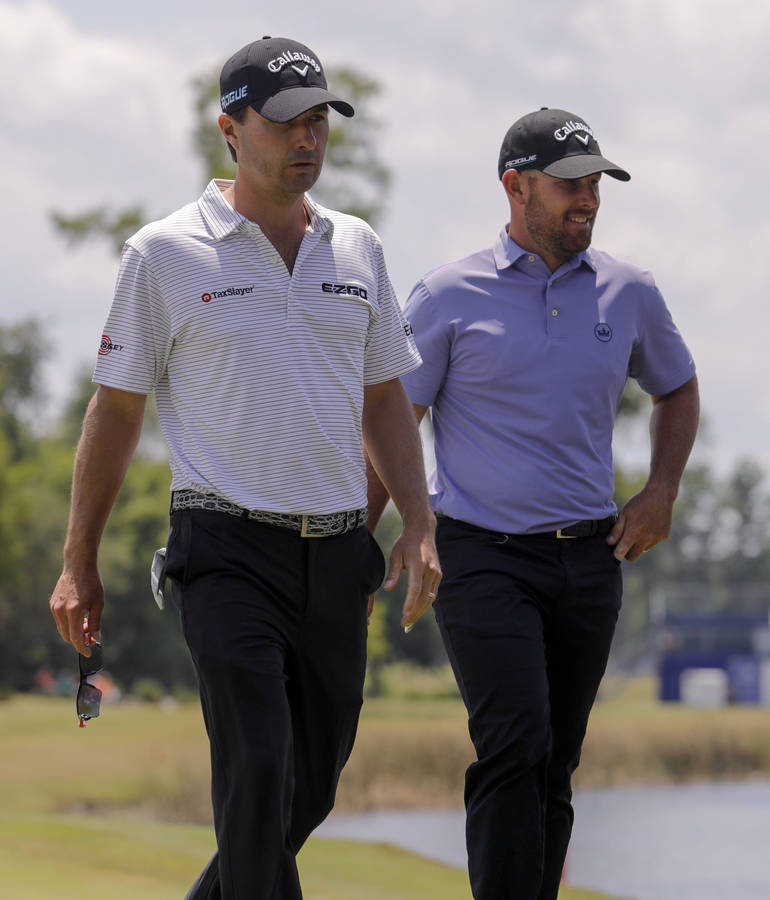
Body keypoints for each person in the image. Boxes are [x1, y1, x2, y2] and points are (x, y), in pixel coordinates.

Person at [49, 36, 440, 900]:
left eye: (320, 122)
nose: (308, 138)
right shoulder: (164, 254)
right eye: (287, 121)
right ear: (231, 128)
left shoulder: (359, 247)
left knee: (309, 786)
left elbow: (386, 398)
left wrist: (417, 521)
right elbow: (115, 412)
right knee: (259, 771)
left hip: (339, 553)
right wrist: (80, 560)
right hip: (223, 550)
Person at [367, 107, 699, 900]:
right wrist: (356, 540)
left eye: (595, 185)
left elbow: (677, 389)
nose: (587, 199)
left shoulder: (629, 291)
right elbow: (392, 422)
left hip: (590, 558)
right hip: (481, 556)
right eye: (570, 185)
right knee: (515, 744)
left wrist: (661, 490)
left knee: (554, 763)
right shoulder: (448, 293)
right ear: (516, 186)